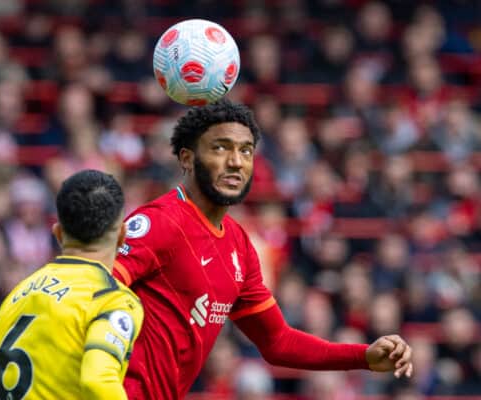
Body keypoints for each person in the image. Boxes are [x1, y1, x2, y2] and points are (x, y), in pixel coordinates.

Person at [113, 99, 413, 400]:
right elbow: (91, 290)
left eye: (245, 150)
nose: (236, 161)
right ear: (187, 159)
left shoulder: (239, 245)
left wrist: (363, 357)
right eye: (220, 147)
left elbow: (278, 341)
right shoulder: (159, 222)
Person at [0, 170, 144, 399]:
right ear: (122, 235)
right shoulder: (112, 300)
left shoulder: (18, 294)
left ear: (57, 233)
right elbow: (98, 379)